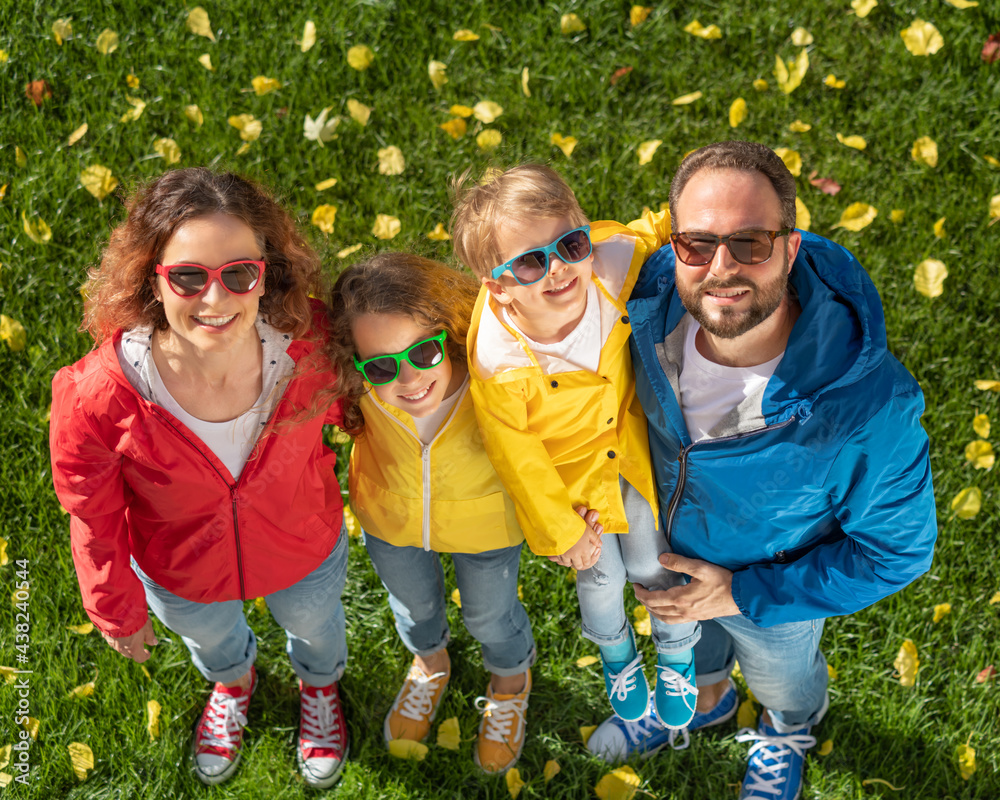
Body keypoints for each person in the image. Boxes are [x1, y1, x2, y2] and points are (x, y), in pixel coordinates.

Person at [589, 141, 936, 800]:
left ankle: (789, 725)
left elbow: (897, 552)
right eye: (697, 244)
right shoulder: (641, 307)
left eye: (750, 243)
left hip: (773, 592)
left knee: (782, 678)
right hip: (663, 560)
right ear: (673, 246)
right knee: (696, 652)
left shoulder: (869, 406)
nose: (721, 269)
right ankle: (708, 698)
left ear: (791, 247)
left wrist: (744, 594)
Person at [49, 168, 350, 788]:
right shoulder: (98, 396)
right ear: (151, 282)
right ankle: (233, 681)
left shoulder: (314, 347)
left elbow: (378, 412)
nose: (216, 302)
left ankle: (318, 688)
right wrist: (113, 604)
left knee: (316, 629)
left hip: (304, 547)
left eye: (240, 273)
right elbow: (93, 512)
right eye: (189, 277)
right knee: (212, 641)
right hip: (181, 572)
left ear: (267, 274)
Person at [452, 164, 700, 730]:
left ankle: (678, 648)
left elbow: (657, 227)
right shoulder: (498, 359)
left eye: (569, 243)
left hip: (631, 449)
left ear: (586, 234)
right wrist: (561, 530)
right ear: (497, 286)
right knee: (600, 576)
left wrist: (710, 214)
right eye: (531, 263)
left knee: (651, 559)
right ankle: (617, 655)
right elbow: (515, 454)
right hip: (571, 486)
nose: (559, 268)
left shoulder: (610, 266)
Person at [325, 253, 534, 774]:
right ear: (356, 364)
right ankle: (430, 662)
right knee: (414, 607)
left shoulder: (495, 377)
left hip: (487, 527)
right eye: (381, 366)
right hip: (391, 522)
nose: (409, 378)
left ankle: (510, 682)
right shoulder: (357, 392)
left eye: (423, 352)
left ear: (448, 331)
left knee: (490, 614)